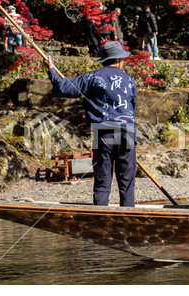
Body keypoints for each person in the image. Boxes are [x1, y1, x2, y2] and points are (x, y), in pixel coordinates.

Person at [44, 41, 137, 207]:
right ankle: (129, 216)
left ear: (105, 60)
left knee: (103, 178)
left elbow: (64, 88)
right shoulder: (129, 81)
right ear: (120, 60)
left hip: (103, 131)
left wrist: (51, 70)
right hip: (127, 131)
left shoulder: (93, 77)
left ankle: (100, 215)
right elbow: (132, 107)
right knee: (127, 182)